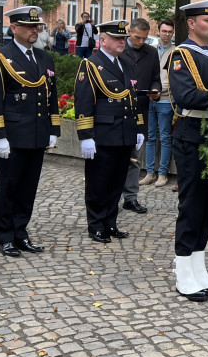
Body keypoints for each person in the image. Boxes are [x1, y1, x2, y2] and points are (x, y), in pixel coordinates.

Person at [0, 6, 58, 257]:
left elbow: (51, 97)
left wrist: (53, 128)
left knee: (28, 188)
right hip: (13, 135)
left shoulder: (44, 57)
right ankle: (4, 235)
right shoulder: (0, 56)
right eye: (28, 26)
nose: (34, 31)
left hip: (36, 133)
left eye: (36, 26)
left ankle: (21, 232)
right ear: (13, 28)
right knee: (8, 186)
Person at [168, 0, 208, 302]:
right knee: (192, 204)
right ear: (191, 24)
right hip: (191, 135)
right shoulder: (181, 55)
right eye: (207, 19)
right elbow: (186, 96)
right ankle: (183, 272)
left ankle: (198, 267)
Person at [74, 20, 144, 243]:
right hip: (103, 134)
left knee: (116, 182)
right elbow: (84, 102)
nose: (121, 42)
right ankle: (96, 225)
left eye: (123, 38)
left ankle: (110, 222)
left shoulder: (127, 62)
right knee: (98, 183)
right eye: (116, 38)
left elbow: (133, 98)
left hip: (124, 133)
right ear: (102, 40)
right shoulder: (92, 65)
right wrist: (86, 136)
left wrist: (139, 128)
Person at [121, 18, 161, 214]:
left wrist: (155, 89)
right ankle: (113, 196)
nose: (141, 42)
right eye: (137, 37)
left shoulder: (151, 52)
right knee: (118, 156)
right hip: (120, 109)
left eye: (144, 38)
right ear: (129, 32)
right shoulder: (119, 49)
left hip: (141, 109)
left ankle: (131, 197)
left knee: (135, 157)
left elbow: (156, 78)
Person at [144, 19, 175, 188]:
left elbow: (174, 79)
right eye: (164, 31)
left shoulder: (176, 52)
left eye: (170, 31)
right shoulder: (151, 50)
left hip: (165, 100)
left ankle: (162, 174)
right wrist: (149, 91)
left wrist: (158, 91)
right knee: (150, 137)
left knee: (164, 137)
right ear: (158, 31)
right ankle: (150, 172)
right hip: (149, 99)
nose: (167, 34)